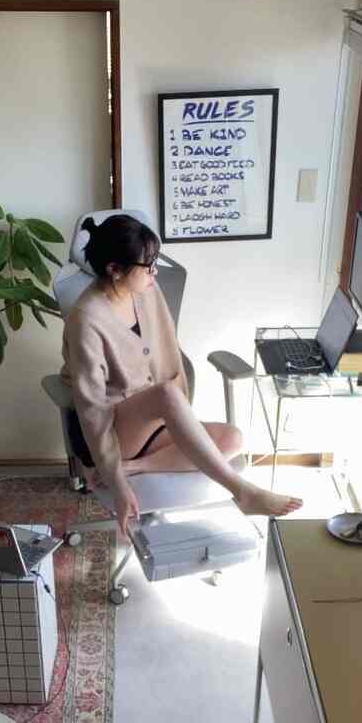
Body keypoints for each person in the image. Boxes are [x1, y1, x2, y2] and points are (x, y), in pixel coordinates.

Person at [61, 214, 303, 536]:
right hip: (111, 428)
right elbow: (93, 409)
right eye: (148, 266)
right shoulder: (86, 319)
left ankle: (136, 466)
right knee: (167, 394)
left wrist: (132, 464)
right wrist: (116, 482)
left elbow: (164, 350)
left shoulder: (146, 290)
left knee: (233, 439)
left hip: (152, 419)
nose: (155, 272)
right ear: (115, 269)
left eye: (155, 262)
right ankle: (242, 492)